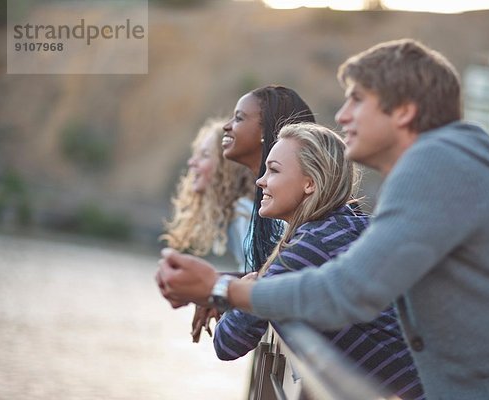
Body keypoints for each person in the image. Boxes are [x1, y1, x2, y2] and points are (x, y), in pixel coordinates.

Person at [157, 39, 489, 400]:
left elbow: (348, 291)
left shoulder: (437, 166)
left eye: (357, 100)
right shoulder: (449, 168)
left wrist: (222, 288)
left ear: (402, 111)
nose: (342, 115)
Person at [213, 122, 424, 398]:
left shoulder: (313, 246)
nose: (260, 181)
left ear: (310, 183)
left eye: (274, 170)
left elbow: (227, 343)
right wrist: (248, 285)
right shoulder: (347, 226)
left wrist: (237, 292)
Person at [221, 85, 316, 273]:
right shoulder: (266, 195)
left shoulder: (295, 208)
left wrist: (220, 287)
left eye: (239, 118)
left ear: (266, 130)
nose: (227, 126)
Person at [161, 118, 254, 267]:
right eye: (195, 154)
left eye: (204, 155)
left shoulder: (243, 214)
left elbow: (261, 273)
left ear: (225, 167)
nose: (192, 162)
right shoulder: (232, 213)